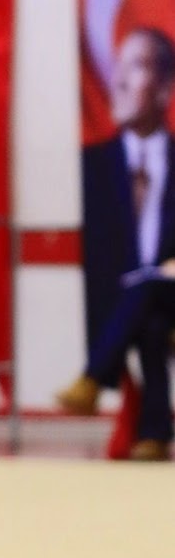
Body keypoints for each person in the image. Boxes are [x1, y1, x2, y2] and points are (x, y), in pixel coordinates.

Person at [57, 27, 175, 460]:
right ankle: (155, 435)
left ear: (164, 88)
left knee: (150, 288)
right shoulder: (95, 164)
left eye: (137, 67)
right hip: (133, 302)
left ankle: (92, 378)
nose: (120, 81)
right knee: (150, 321)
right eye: (117, 67)